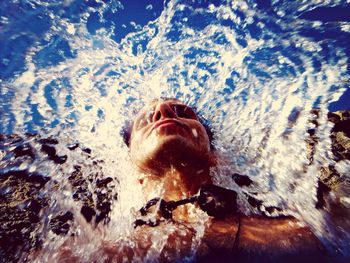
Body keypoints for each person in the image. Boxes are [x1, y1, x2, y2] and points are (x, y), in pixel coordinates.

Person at [57, 98, 328, 262]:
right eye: (145, 121)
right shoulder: (94, 247)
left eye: (183, 113)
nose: (162, 111)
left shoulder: (303, 228)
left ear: (215, 156)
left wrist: (185, 238)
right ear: (131, 171)